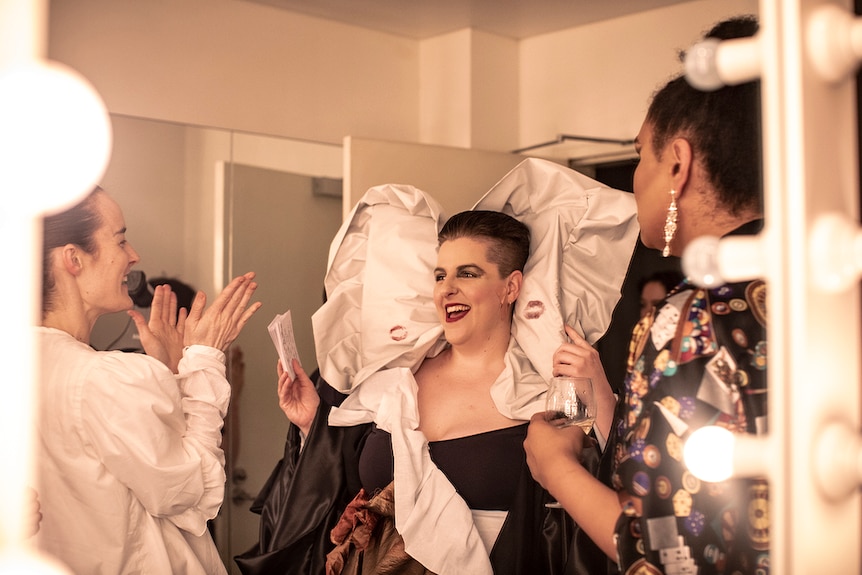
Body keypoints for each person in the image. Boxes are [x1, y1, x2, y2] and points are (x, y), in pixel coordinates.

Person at [236, 170, 640, 575]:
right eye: (440, 275)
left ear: (511, 287)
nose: (447, 289)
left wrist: (600, 397)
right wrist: (313, 425)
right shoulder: (395, 380)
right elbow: (330, 488)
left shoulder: (545, 389)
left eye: (468, 274)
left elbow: (608, 487)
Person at [524, 15, 767, 575]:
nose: (635, 178)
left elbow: (665, 553)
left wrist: (555, 468)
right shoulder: (819, 283)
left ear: (677, 164)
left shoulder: (693, 317)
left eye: (641, 156)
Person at [34, 186, 262, 574]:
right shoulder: (102, 379)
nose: (133, 255)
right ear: (73, 258)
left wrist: (171, 379)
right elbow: (193, 495)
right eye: (120, 239)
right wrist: (204, 362)